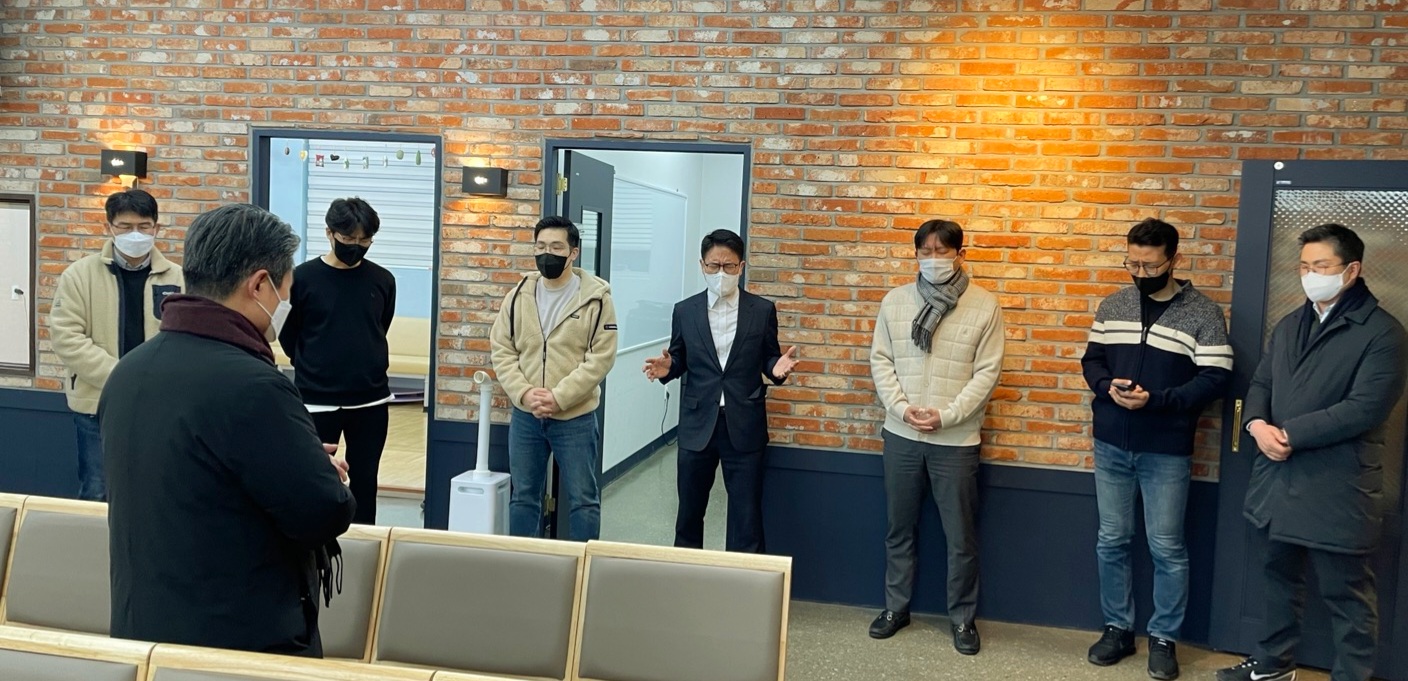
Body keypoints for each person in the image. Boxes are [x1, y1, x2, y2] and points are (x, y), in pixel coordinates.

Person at [100, 203, 356, 657]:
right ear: (259, 285)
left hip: (142, 634)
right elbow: (321, 511)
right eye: (287, 289)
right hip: (236, 643)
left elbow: (195, 476)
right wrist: (325, 473)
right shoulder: (253, 385)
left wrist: (291, 455)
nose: (286, 303)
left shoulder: (130, 371)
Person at [1218, 224, 1407, 681]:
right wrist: (1257, 425)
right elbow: (1262, 383)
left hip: (1338, 485)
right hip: (1278, 482)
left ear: (1352, 270)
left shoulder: (1383, 333)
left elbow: (1365, 408)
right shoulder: (1290, 324)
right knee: (1278, 581)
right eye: (1304, 266)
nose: (1309, 275)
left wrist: (1290, 434)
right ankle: (1273, 666)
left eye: (1320, 266)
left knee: (1348, 596)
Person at [1080, 218, 1232, 681]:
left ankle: (1164, 638)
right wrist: (1106, 387)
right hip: (1111, 443)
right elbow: (1092, 359)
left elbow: (1216, 377)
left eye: (1149, 265)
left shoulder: (1203, 313)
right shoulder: (1113, 305)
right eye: (1132, 264)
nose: (1140, 273)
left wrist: (1159, 400)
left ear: (1174, 260)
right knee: (1111, 540)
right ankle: (1117, 629)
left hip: (1166, 449)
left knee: (1166, 546)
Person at [867, 219, 1005, 655]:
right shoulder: (895, 301)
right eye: (924, 251)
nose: (933, 259)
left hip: (956, 440)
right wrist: (902, 409)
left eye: (942, 251)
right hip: (902, 434)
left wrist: (947, 415)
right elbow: (881, 361)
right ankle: (896, 608)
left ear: (961, 254)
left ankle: (962, 618)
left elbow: (987, 372)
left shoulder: (984, 305)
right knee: (898, 528)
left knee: (961, 537)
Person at [642, 229, 799, 553]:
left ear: (741, 267)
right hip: (697, 424)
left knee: (747, 519)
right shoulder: (685, 310)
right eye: (714, 266)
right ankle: (686, 577)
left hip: (744, 424)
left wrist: (776, 369)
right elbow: (679, 357)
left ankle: (747, 581)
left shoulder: (762, 310)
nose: (721, 273)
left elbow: (769, 356)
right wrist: (668, 368)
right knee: (688, 515)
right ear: (702, 266)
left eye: (728, 266)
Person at [490, 216, 618, 541]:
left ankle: (583, 565)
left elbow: (601, 357)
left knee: (584, 500)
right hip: (527, 416)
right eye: (541, 246)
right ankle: (525, 563)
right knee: (523, 497)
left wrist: (559, 397)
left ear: (573, 252)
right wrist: (524, 393)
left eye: (557, 247)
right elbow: (502, 349)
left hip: (575, 418)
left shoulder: (597, 298)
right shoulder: (518, 295)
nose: (547, 253)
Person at [50, 189, 183, 501]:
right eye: (125, 226)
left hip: (159, 405)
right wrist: (123, 375)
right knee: (97, 491)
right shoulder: (79, 276)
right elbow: (66, 337)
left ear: (157, 228)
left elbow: (188, 339)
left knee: (157, 493)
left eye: (144, 226)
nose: (135, 234)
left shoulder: (178, 278)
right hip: (97, 406)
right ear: (108, 227)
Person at [278, 197, 396, 525]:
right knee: (316, 479)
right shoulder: (301, 278)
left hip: (371, 400)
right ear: (329, 233)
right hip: (316, 399)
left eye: (365, 240)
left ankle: (365, 541)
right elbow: (288, 334)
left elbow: (379, 326)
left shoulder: (383, 280)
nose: (356, 246)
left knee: (366, 481)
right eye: (348, 238)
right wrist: (314, 363)